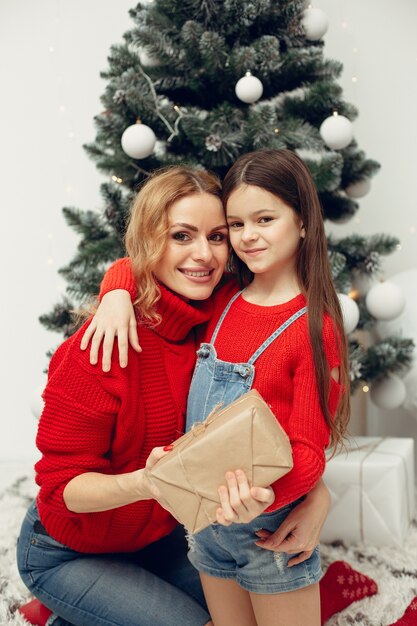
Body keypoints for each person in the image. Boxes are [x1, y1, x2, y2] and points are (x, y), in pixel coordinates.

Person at [17, 163, 331, 626]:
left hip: (160, 538)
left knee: (249, 598)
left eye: (218, 236)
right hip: (70, 548)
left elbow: (283, 418)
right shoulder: (100, 347)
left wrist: (317, 495)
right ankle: (66, 601)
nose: (203, 255)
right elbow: (62, 490)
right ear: (151, 240)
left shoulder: (219, 311)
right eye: (181, 236)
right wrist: (145, 483)